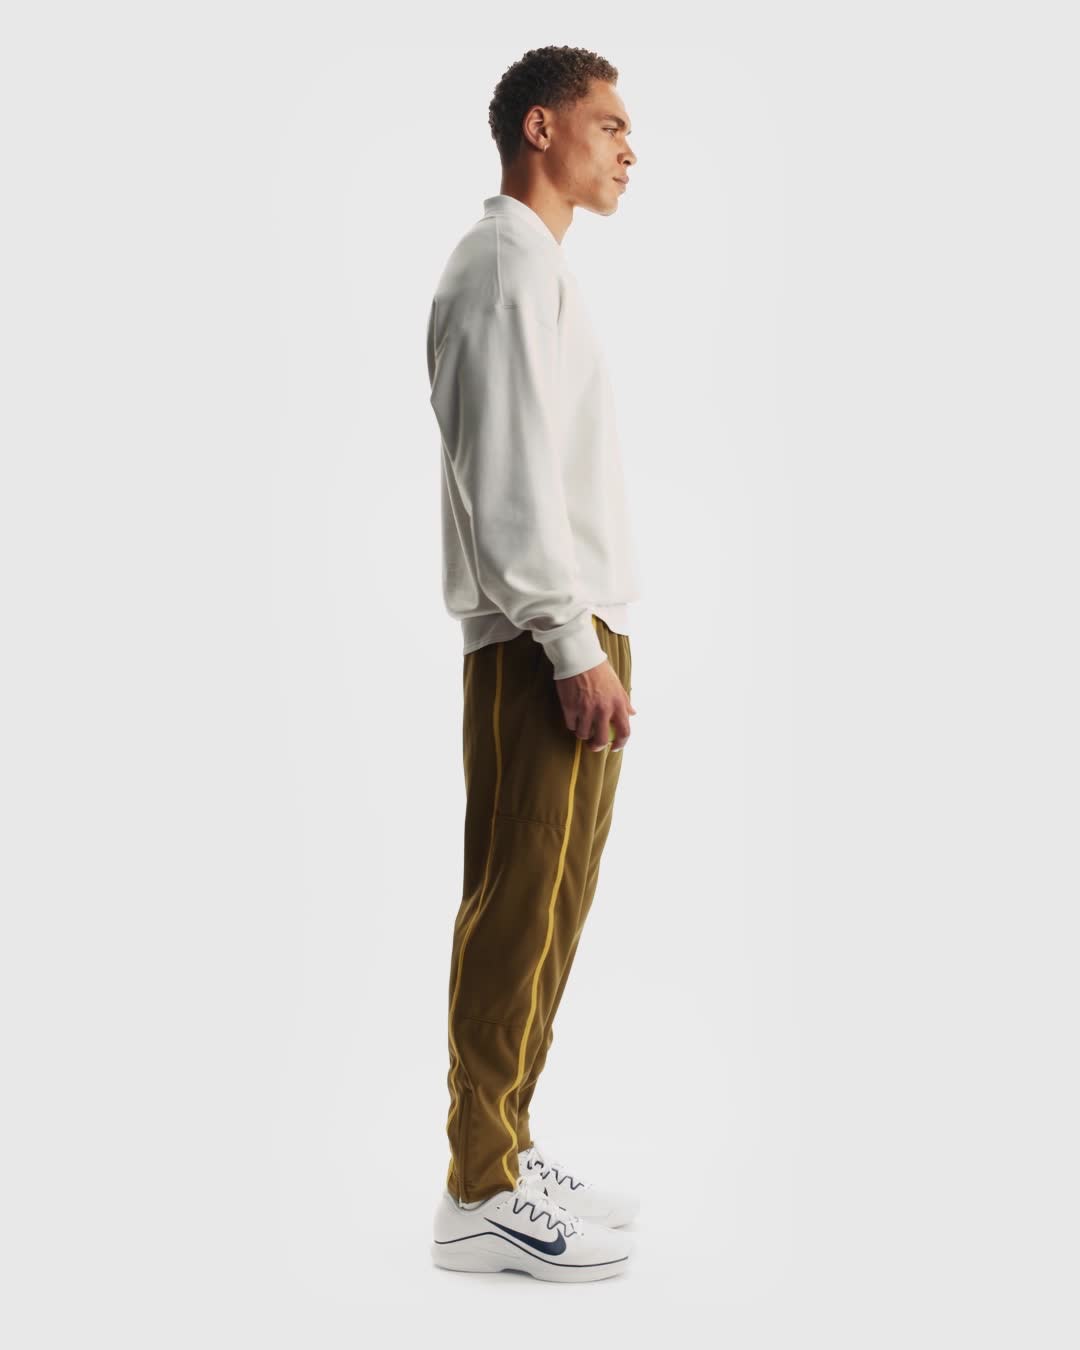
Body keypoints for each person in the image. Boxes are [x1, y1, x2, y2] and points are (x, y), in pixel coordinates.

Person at [425, 45, 642, 1283]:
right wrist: (567, 639)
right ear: (542, 128)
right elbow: (502, 473)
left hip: (569, 630)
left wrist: (588, 632)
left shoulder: (536, 267)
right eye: (609, 125)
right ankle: (477, 1188)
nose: (628, 150)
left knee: (554, 906)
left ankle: (504, 1144)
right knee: (516, 903)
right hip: (537, 640)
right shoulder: (505, 262)